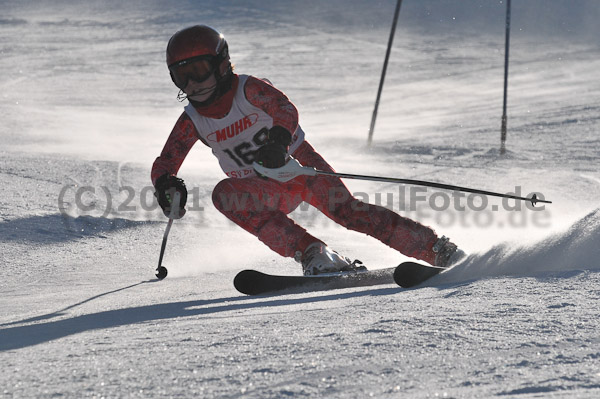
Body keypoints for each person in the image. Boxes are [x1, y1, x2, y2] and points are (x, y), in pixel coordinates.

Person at [152, 25, 464, 276]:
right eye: (182, 76)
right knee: (224, 194)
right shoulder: (193, 119)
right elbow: (166, 162)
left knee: (349, 212)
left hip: (298, 167)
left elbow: (284, 109)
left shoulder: (247, 88)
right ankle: (314, 252)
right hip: (260, 188)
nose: (193, 84)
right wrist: (166, 185)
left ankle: (436, 249)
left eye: (200, 70)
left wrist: (278, 142)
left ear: (221, 65)